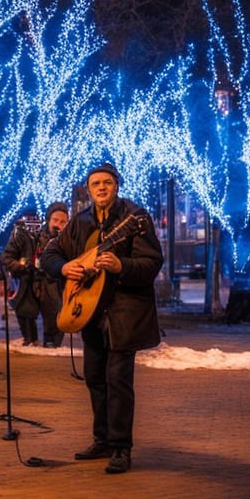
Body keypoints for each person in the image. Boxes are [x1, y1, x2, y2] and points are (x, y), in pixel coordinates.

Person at [41, 163, 163, 475]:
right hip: (90, 311)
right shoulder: (80, 222)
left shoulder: (136, 218)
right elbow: (50, 256)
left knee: (118, 380)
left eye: (107, 182)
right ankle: (103, 439)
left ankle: (122, 447)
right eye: (95, 183)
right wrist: (65, 268)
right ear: (89, 188)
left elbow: (151, 263)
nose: (101, 188)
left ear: (117, 186)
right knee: (94, 376)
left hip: (125, 312)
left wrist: (121, 265)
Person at [1, 202, 69, 347]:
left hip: (53, 285)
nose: (58, 225)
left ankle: (52, 344)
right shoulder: (31, 237)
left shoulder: (68, 242)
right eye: (55, 220)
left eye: (63, 222)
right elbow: (6, 257)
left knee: (55, 315)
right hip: (30, 281)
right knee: (25, 310)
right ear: (48, 220)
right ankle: (30, 340)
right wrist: (20, 267)